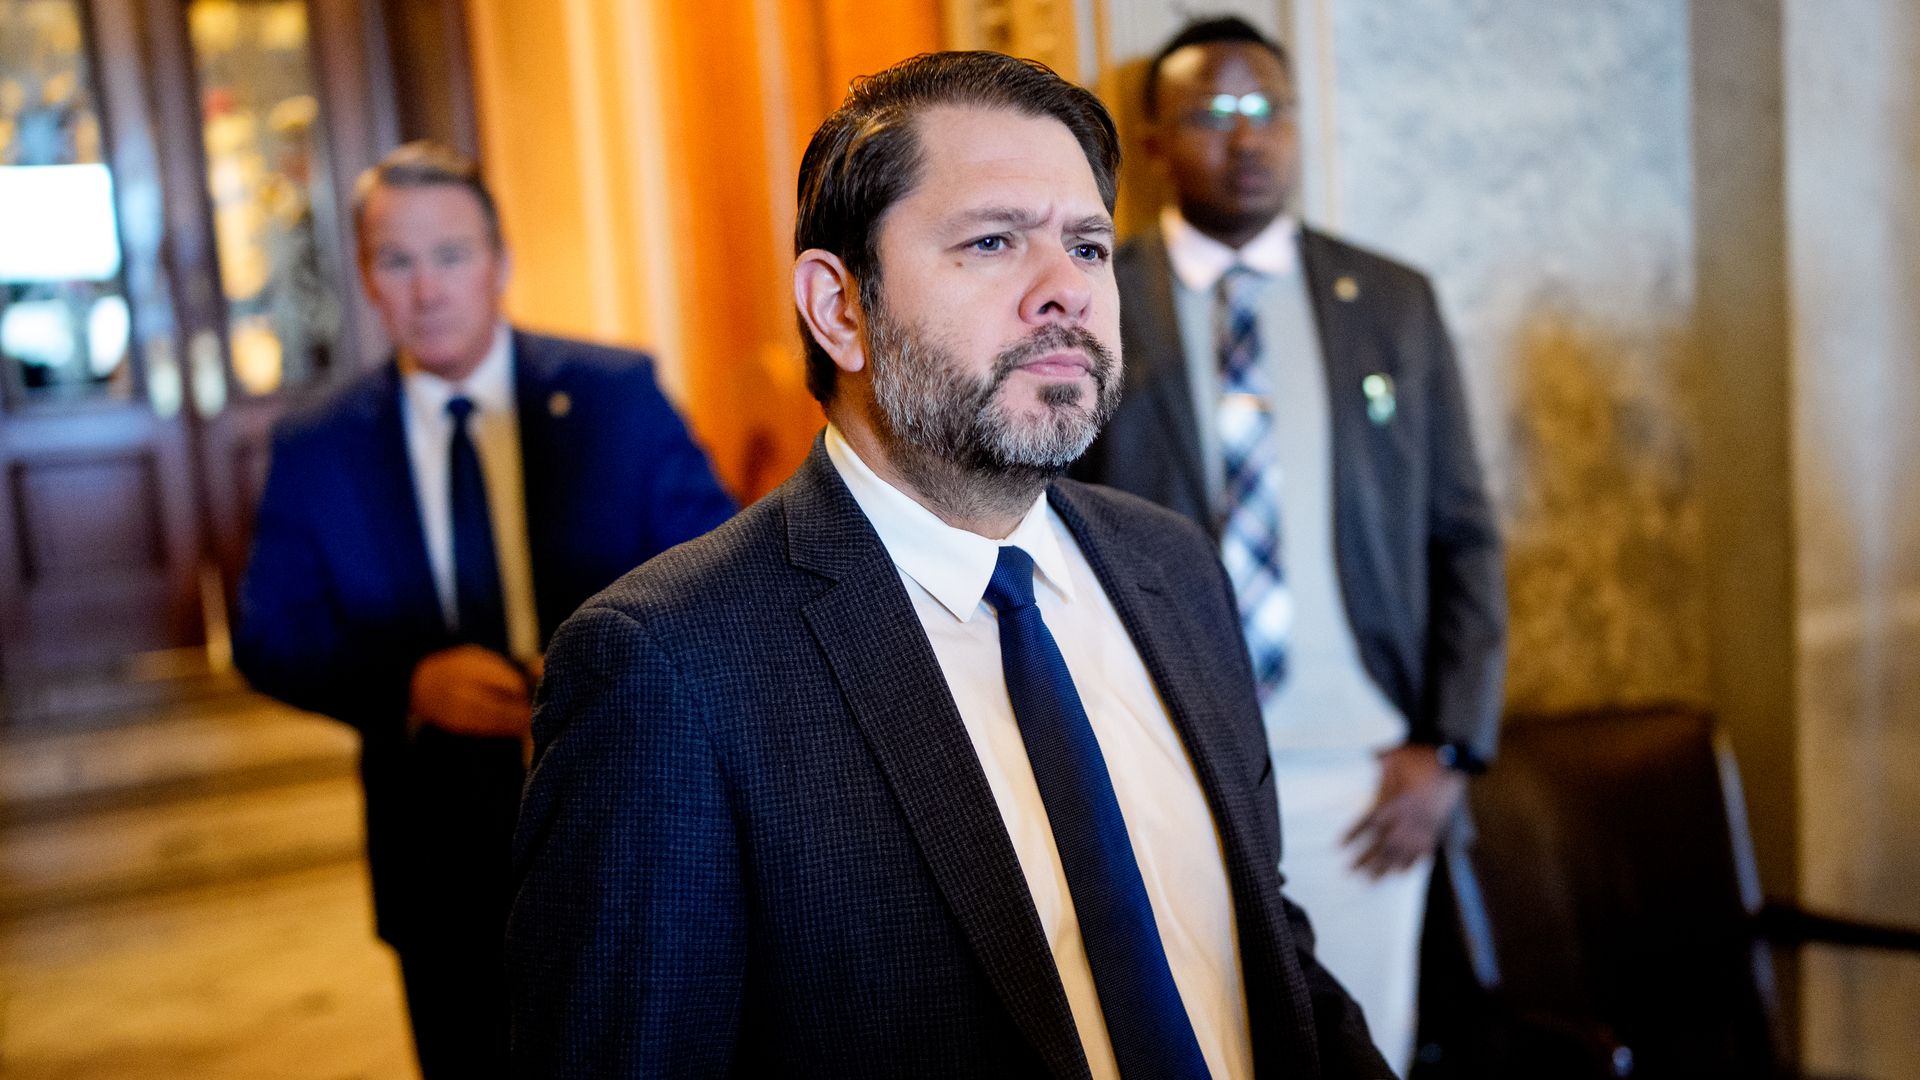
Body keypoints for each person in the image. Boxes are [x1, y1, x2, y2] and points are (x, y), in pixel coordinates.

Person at [508, 50, 1393, 1080]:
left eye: (1090, 247)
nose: (1064, 290)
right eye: (991, 241)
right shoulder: (667, 670)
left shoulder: (1174, 569)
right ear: (840, 308)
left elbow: (1262, 951)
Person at [232, 141, 734, 1080]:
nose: (429, 289)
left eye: (452, 255)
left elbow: (719, 566)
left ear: (500, 263)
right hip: (436, 850)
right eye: (398, 261)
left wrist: (609, 664)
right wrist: (407, 684)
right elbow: (269, 633)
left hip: (627, 824)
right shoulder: (317, 443)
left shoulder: (612, 397)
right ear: (367, 280)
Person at [1070, 17, 1507, 1072]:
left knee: (1364, 1053)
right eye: (1212, 114)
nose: (1248, 137)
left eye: (1270, 108)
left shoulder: (1389, 302)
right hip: (1165, 759)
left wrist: (1448, 747)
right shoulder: (1093, 299)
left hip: (1363, 782)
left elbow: (1464, 534)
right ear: (1156, 138)